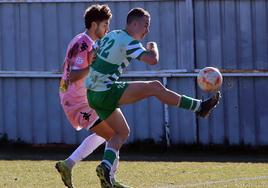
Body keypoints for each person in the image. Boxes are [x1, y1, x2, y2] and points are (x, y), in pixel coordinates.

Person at [85, 7, 221, 188]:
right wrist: (153, 47)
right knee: (155, 87)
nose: (147, 30)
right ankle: (199, 107)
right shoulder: (128, 40)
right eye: (146, 25)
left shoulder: (113, 34)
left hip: (92, 94)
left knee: (121, 133)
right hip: (105, 91)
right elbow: (152, 60)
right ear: (134, 23)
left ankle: (106, 170)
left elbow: (92, 51)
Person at [55, 4, 128, 188]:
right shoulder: (84, 43)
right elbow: (74, 75)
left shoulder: (80, 40)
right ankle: (108, 179)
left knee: (112, 133)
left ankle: (69, 165)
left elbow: (64, 66)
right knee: (115, 133)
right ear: (94, 25)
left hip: (78, 98)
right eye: (105, 25)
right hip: (77, 102)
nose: (107, 29)